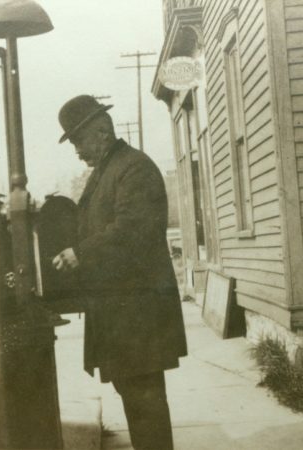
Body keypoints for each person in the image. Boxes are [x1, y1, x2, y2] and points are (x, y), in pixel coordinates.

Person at [53, 95, 187, 450]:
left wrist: (80, 254)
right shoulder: (109, 171)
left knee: (145, 401)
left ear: (101, 132)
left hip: (139, 313)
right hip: (123, 313)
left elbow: (132, 228)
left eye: (79, 141)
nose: (78, 151)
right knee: (135, 396)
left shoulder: (133, 168)